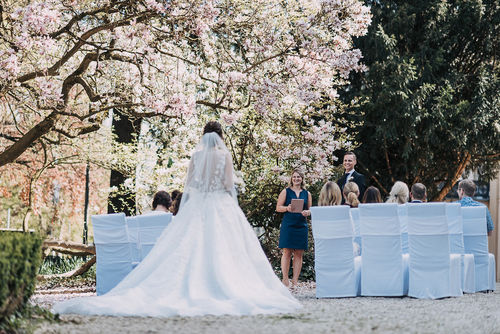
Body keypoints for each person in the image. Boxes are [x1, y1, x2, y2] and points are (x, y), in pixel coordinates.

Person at [53, 121, 301, 317]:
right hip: (220, 205)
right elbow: (227, 185)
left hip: (200, 205)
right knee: (226, 245)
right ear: (221, 137)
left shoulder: (196, 156)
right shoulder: (224, 157)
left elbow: (190, 186)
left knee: (192, 245)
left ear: (204, 136)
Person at [276, 169, 312, 288]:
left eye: (299, 177)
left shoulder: (307, 193)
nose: (296, 179)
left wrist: (307, 212)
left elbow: (310, 209)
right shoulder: (285, 191)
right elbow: (278, 207)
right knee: (286, 252)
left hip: (301, 225)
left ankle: (295, 281)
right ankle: (285, 279)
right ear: (291, 179)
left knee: (299, 254)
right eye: (294, 177)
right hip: (288, 224)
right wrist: (287, 208)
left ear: (302, 179)